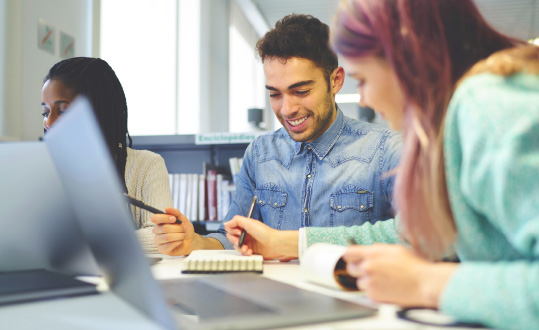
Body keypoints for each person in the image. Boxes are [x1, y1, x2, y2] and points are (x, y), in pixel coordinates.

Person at [226, 0, 539, 328]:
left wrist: (426, 282)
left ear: (407, 60)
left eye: (363, 79)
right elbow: (415, 233)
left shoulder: (486, 105)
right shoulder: (452, 122)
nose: (363, 99)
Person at [151, 14, 402, 256]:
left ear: (335, 81)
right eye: (274, 94)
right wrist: (193, 242)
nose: (287, 109)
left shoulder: (386, 150)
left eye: (301, 91)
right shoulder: (260, 154)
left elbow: (417, 236)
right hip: (275, 298)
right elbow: (232, 240)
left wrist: (292, 244)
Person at [41, 57, 173, 253]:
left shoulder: (148, 165)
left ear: (98, 111)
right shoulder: (43, 170)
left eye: (62, 111)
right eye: (45, 112)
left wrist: (84, 245)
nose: (49, 123)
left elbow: (160, 236)